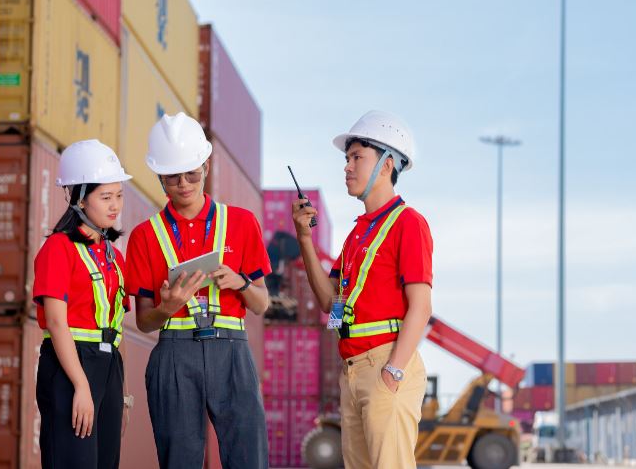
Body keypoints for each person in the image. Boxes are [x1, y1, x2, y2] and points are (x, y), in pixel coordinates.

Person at [125, 112, 270, 469]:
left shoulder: (241, 223)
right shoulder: (145, 236)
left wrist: (241, 283)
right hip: (174, 352)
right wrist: (167, 307)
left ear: (206, 165)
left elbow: (261, 304)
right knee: (179, 460)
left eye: (192, 173)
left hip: (231, 349)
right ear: (159, 177)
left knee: (248, 457)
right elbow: (144, 321)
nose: (184, 184)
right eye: (172, 177)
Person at [292, 110, 433, 468]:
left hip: (386, 364)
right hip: (353, 369)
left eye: (357, 157)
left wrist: (393, 371)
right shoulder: (357, 235)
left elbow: (421, 307)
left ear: (387, 165)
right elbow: (331, 303)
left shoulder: (408, 223)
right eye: (347, 158)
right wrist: (305, 238)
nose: (347, 166)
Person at [33, 139, 134, 468]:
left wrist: (123, 395)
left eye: (119, 195)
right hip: (71, 366)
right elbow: (56, 322)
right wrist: (80, 385)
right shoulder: (58, 249)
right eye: (105, 197)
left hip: (109, 368)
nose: (115, 205)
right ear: (79, 198)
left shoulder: (115, 257)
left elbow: (117, 329)